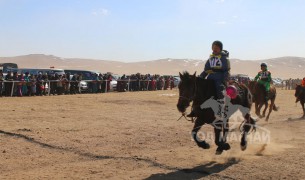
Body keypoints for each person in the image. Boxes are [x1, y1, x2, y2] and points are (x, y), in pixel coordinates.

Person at [187, 40, 230, 117]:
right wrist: (200, 77)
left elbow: (226, 70)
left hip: (219, 79)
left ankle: (222, 109)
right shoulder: (210, 59)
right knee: (199, 91)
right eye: (213, 48)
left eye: (216, 48)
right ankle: (195, 109)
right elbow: (206, 70)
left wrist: (224, 80)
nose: (214, 49)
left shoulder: (224, 59)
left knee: (220, 90)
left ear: (220, 49)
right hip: (210, 78)